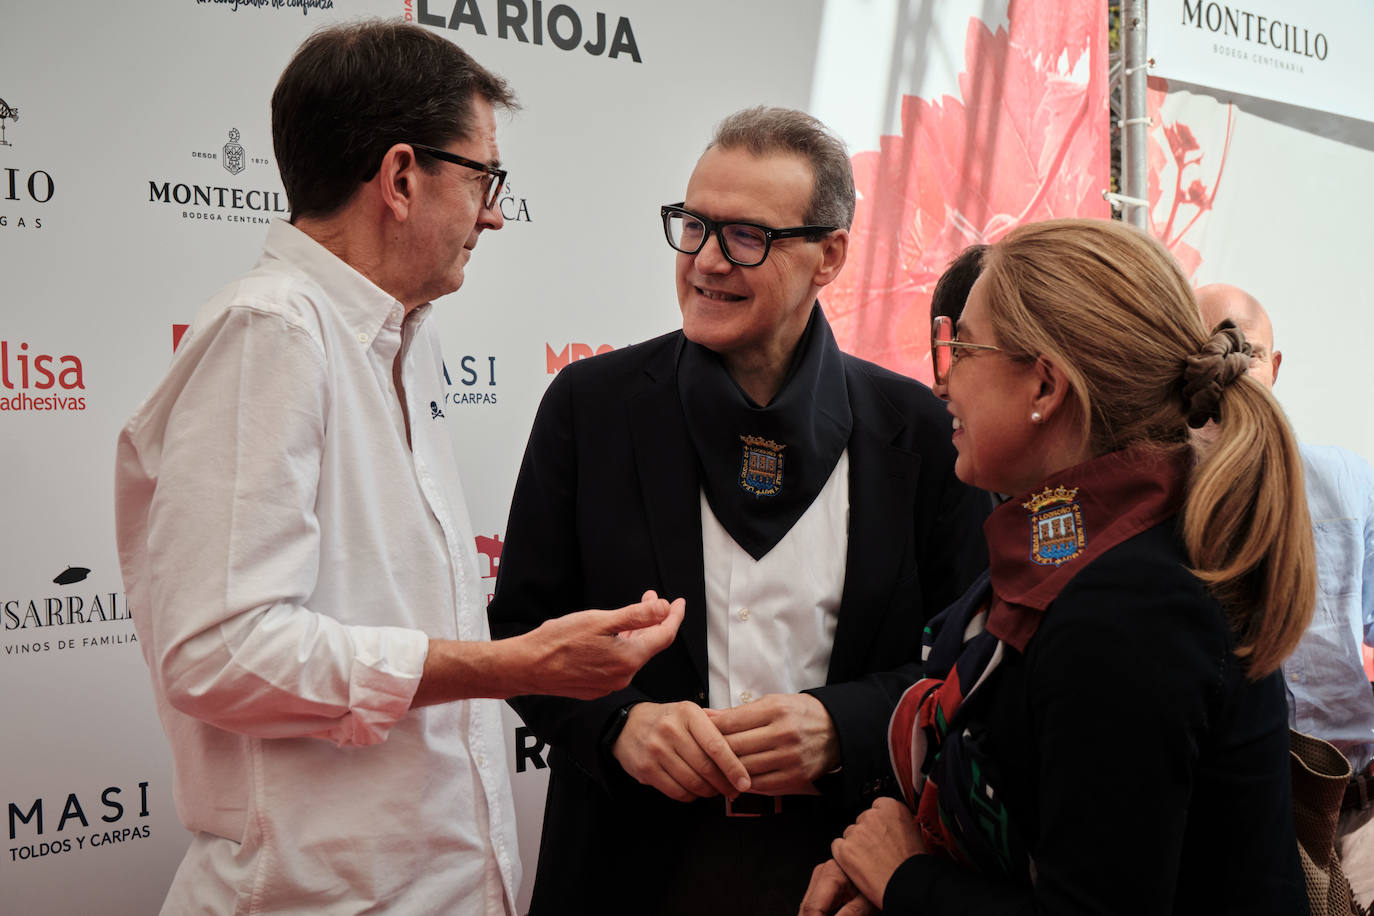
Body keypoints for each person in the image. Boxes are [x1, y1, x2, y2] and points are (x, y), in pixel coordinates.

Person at [114, 22, 683, 915]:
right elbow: (217, 653)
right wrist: (508, 666)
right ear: (403, 178)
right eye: (484, 178)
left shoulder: (397, 335)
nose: (494, 212)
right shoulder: (272, 334)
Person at [486, 107, 990, 914]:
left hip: (837, 875)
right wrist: (622, 727)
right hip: (622, 871)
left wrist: (844, 727)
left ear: (829, 255)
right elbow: (520, 630)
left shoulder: (919, 432)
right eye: (693, 226)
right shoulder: (590, 408)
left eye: (746, 236)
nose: (706, 262)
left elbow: (969, 660)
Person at [802, 218, 1314, 914]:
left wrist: (904, 881)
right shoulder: (1087, 550)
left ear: (1045, 387)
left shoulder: (1132, 607)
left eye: (966, 347)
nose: (944, 381)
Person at [1197, 282, 1374, 908]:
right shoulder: (1349, 480)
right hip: (1329, 813)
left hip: (1268, 821)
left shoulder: (1163, 504)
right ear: (1272, 366)